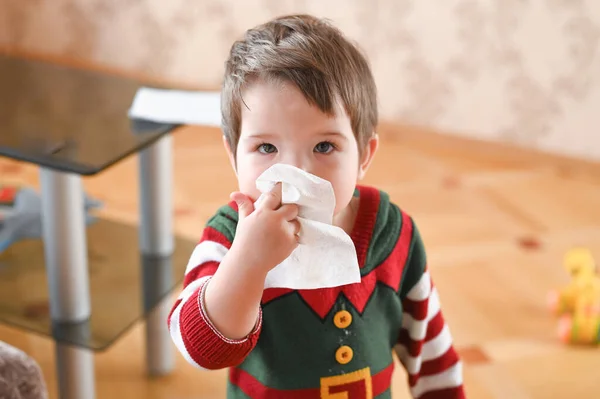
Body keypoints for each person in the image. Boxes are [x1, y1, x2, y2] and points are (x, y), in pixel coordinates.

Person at [168, 14, 465, 399]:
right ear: (233, 156)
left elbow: (431, 354)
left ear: (363, 155)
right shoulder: (228, 236)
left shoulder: (395, 234)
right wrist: (249, 262)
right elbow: (200, 348)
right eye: (266, 148)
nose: (295, 173)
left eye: (324, 147)